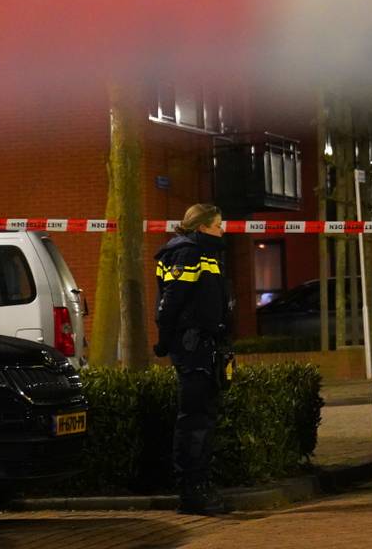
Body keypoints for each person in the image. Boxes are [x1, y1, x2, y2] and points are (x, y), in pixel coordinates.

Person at [153, 203, 234, 516]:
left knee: (204, 416)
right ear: (201, 227)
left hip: (204, 344)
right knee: (194, 419)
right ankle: (191, 490)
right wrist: (165, 341)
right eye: (217, 225)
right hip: (192, 345)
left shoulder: (204, 252)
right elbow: (171, 301)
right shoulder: (187, 253)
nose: (222, 230)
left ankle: (200, 484)